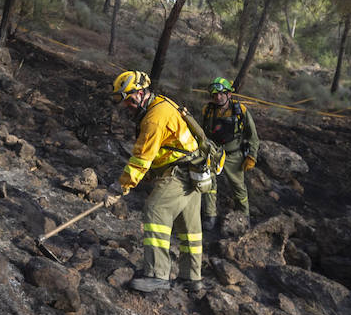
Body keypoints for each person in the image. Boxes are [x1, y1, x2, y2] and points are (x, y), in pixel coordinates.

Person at [110, 70, 206, 293]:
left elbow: (142, 157)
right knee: (189, 227)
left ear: (141, 93)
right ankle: (192, 278)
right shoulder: (162, 103)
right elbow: (165, 149)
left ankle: (157, 275)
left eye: (129, 100)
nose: (127, 106)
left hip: (180, 173)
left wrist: (120, 186)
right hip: (194, 171)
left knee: (155, 211)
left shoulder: (154, 118)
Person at [200, 77, 260, 232]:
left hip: (234, 155)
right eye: (215, 95)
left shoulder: (240, 111)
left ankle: (243, 216)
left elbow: (252, 136)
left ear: (229, 94)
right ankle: (209, 216)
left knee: (238, 187)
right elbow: (202, 132)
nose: (218, 97)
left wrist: (251, 156)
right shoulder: (208, 110)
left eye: (221, 94)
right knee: (209, 184)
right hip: (213, 153)